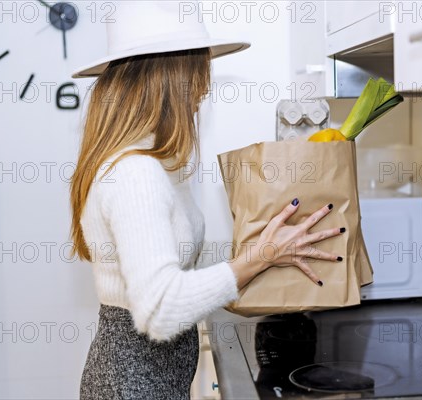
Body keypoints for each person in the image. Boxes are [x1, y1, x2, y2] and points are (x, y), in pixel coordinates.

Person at [70, 3, 344, 399]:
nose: (204, 88)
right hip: (133, 384)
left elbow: (166, 275)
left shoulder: (145, 161)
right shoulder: (136, 174)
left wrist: (261, 253)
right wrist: (257, 258)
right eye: (199, 70)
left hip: (144, 375)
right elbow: (161, 310)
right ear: (171, 78)